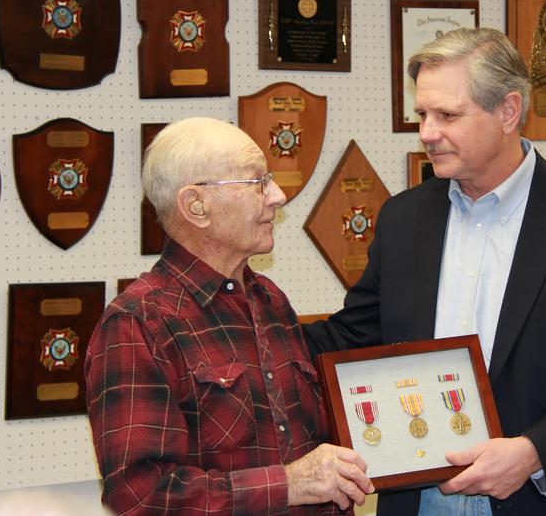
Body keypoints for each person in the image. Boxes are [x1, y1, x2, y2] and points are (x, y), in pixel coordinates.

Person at [303, 28, 546, 515]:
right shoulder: (404, 217)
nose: (428, 132)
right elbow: (356, 335)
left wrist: (532, 453)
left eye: (448, 115)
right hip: (420, 500)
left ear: (508, 112)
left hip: (543, 497)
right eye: (423, 115)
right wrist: (252, 329)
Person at [84, 118, 374, 515]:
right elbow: (139, 495)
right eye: (256, 183)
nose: (278, 195)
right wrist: (288, 484)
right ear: (196, 206)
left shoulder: (271, 301)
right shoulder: (139, 322)